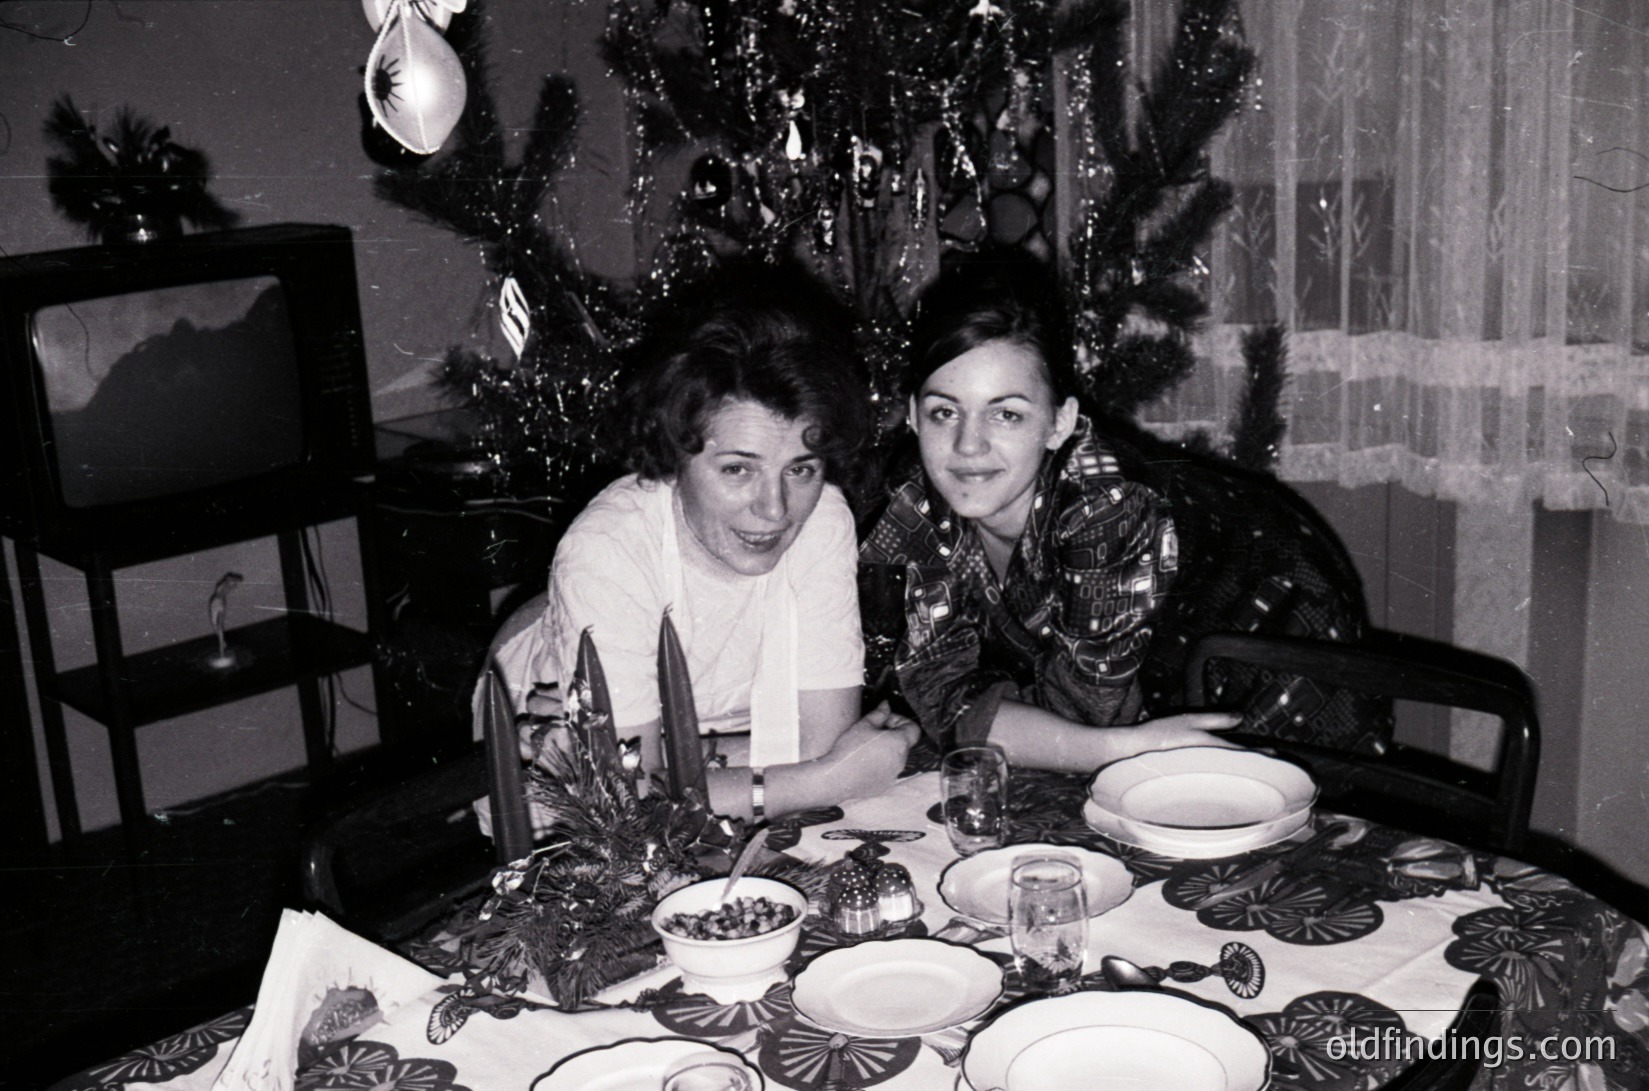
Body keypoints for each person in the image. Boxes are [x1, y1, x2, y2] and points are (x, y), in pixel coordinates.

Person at [859, 268, 1382, 772]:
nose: (968, 446)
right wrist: (1108, 746)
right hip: (1146, 692)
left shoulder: (1109, 508)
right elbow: (936, 689)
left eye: (1007, 413)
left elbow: (1080, 718)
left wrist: (1097, 744)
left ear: (1059, 422)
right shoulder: (918, 504)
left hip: (1275, 623)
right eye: (944, 412)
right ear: (911, 414)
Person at [492, 284, 918, 823]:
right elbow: (630, 803)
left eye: (801, 468)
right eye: (738, 468)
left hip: (628, 752)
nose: (775, 509)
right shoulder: (609, 549)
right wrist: (825, 778)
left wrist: (661, 758)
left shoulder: (821, 518)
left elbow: (820, 740)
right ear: (675, 457)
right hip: (531, 757)